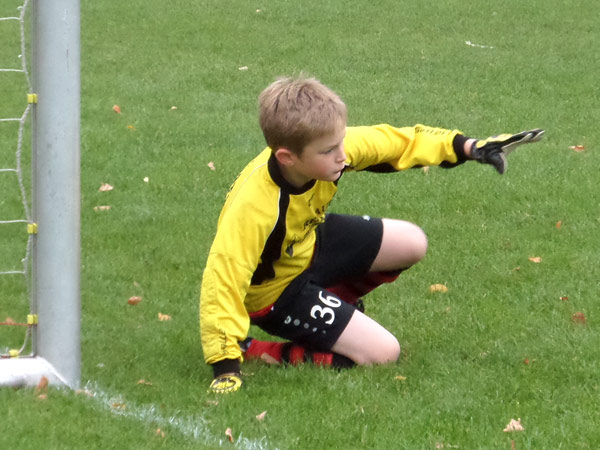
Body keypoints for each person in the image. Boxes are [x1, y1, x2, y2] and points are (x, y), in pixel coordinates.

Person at [200, 75, 544, 393]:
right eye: (329, 151)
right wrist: (225, 364)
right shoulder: (253, 206)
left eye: (341, 143)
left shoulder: (327, 147)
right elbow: (223, 278)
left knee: (411, 242)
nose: (343, 156)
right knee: (383, 354)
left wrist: (469, 147)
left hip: (308, 244)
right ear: (287, 157)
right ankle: (255, 350)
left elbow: (394, 143)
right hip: (275, 293)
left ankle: (336, 304)